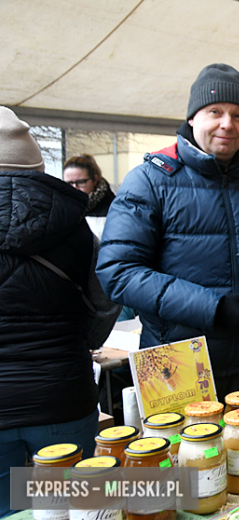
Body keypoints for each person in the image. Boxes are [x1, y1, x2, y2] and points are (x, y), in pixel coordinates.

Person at [96, 64, 239, 397]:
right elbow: (118, 271)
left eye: (238, 115)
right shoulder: (151, 180)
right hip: (174, 362)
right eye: (215, 111)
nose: (228, 123)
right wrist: (214, 308)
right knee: (181, 450)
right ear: (193, 118)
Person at [0, 107, 121, 516]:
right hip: (63, 393)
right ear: (37, 164)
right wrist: (78, 342)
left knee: (8, 511)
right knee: (78, 508)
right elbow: (104, 304)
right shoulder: (76, 225)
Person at [63, 153, 116, 239]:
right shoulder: (60, 210)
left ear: (94, 180)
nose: (74, 188)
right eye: (68, 183)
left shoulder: (113, 209)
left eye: (80, 182)